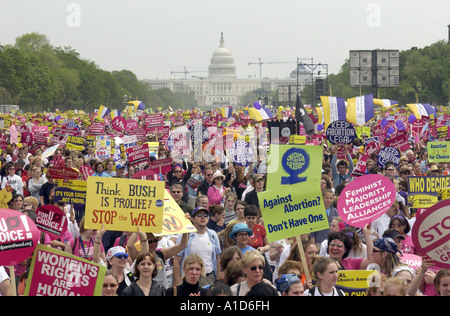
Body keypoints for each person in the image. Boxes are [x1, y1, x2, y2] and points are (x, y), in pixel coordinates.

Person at [173, 207, 221, 287]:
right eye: (199, 215)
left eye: (205, 215)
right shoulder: (184, 235)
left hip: (209, 278)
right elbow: (177, 261)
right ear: (192, 219)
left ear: (208, 219)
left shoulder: (213, 235)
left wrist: (218, 280)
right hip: (189, 277)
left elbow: (217, 259)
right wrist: (177, 282)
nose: (202, 217)